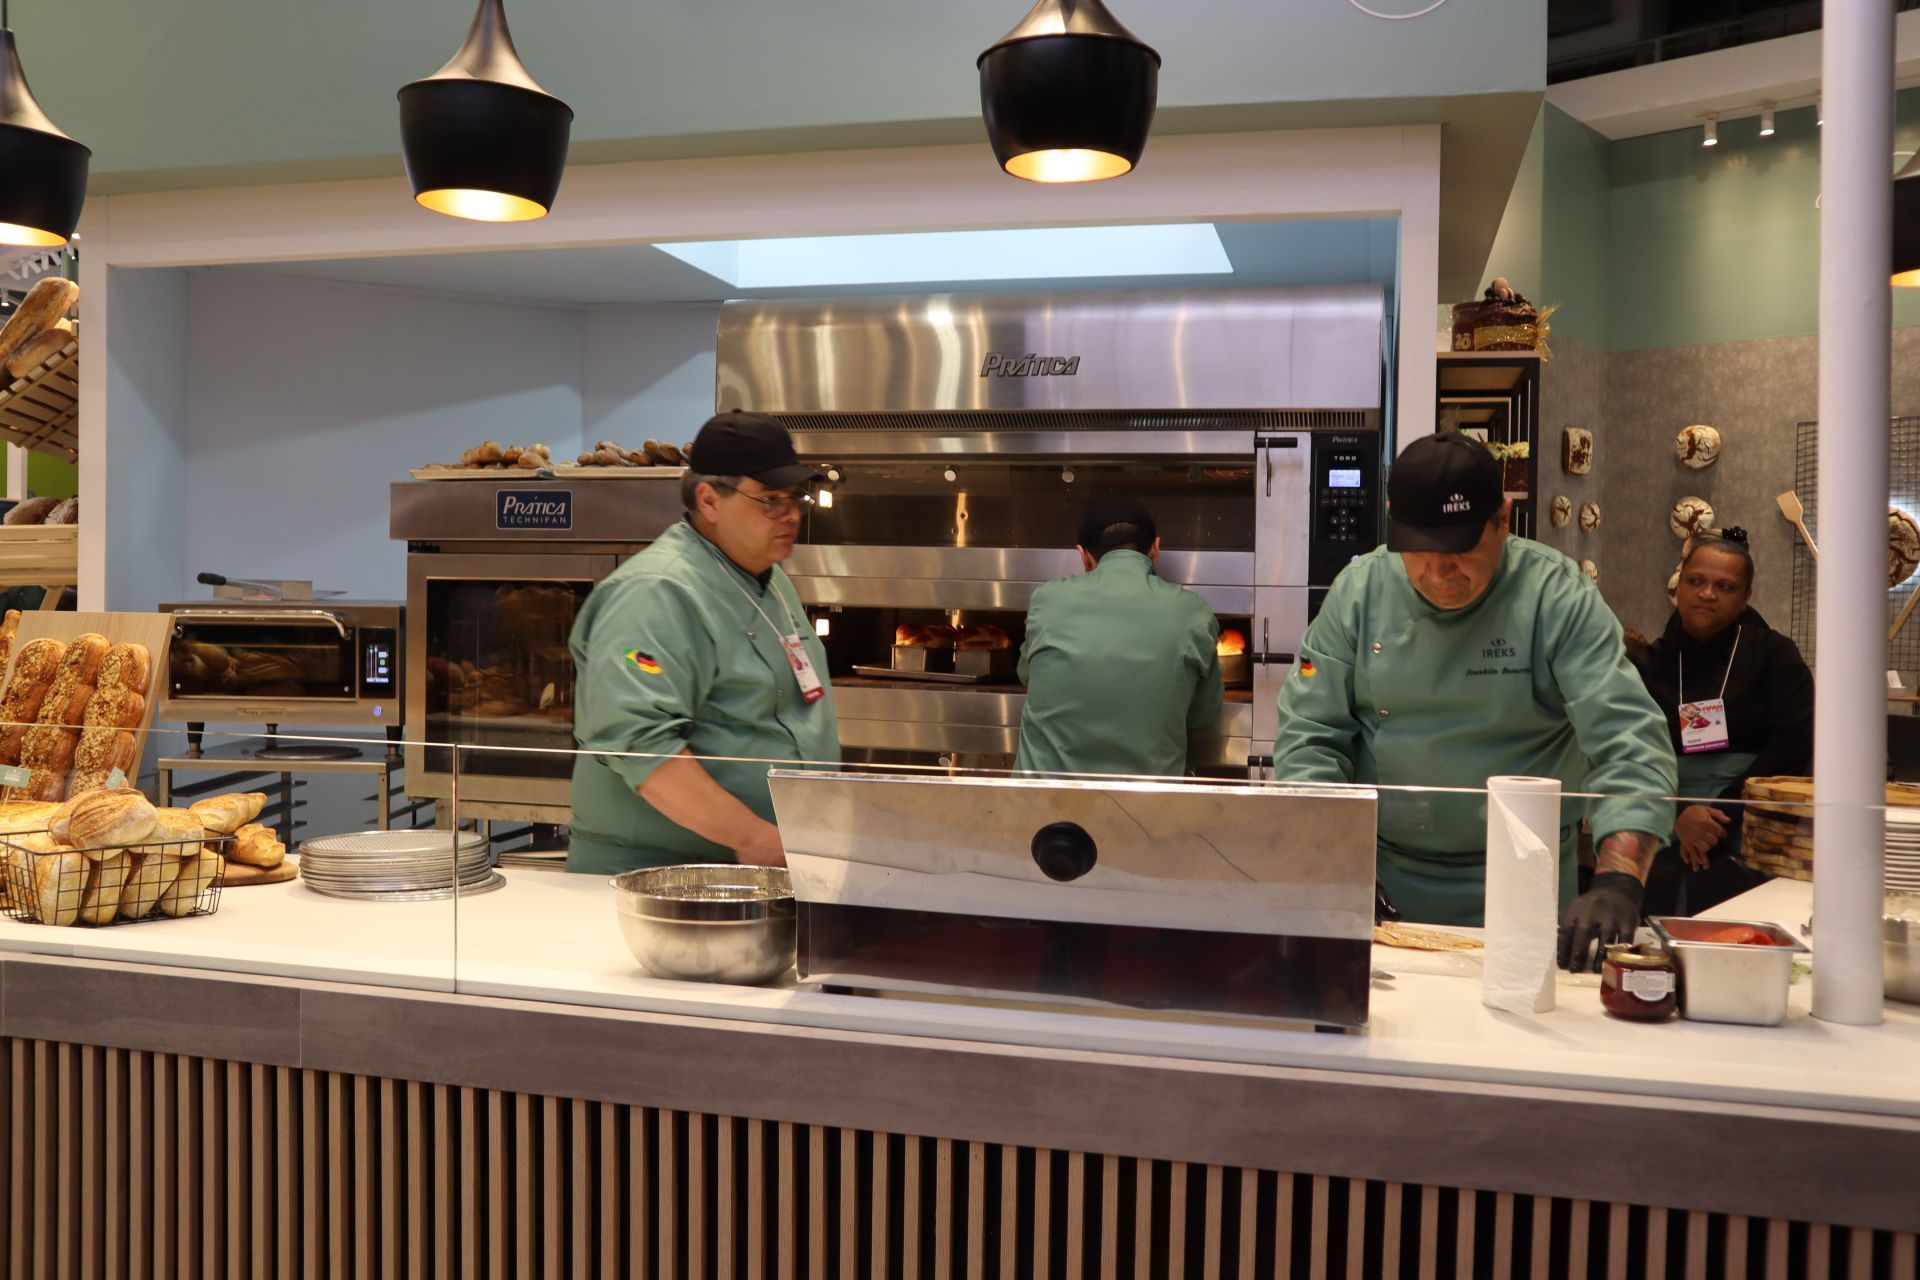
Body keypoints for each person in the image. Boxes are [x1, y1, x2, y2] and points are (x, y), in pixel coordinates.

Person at [1270, 432, 1677, 970]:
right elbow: (1309, 738)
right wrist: (1331, 857)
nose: (1438, 574)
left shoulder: (1556, 597)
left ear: (1503, 521)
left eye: (1460, 548)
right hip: (1382, 877)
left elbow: (1631, 745)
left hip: (1527, 877)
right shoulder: (1359, 593)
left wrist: (1619, 881)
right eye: (1418, 549)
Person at [566, 410, 840, 875]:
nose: (791, 513)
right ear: (709, 500)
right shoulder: (657, 591)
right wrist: (756, 839)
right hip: (656, 879)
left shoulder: (769, 580)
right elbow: (640, 744)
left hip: (755, 870)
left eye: (796, 497)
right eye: (770, 499)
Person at [1630, 528, 1812, 915]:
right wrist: (1679, 815)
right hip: (1663, 815)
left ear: (1746, 597)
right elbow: (1629, 750)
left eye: (1725, 586)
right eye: (1696, 581)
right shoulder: (1649, 662)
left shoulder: (1774, 655)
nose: (1707, 593)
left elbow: (1794, 742)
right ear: (1679, 585)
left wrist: (1718, 815)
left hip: (1750, 818)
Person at [1015, 497, 1225, 777]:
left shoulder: (1046, 601)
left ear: (1083, 555)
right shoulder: (1194, 614)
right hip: (1145, 810)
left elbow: (1028, 675)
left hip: (1043, 807)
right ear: (1155, 549)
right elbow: (1203, 713)